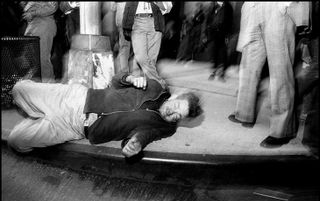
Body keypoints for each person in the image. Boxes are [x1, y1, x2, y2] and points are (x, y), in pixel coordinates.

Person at [8, 72, 202, 158]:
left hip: (75, 127)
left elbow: (146, 134)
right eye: (176, 105)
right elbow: (115, 80)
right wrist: (130, 78)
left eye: (178, 116)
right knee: (19, 88)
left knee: (16, 141)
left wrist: (135, 144)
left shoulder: (166, 128)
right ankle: (33, 110)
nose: (172, 112)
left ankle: (36, 116)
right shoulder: (154, 87)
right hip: (76, 98)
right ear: (175, 96)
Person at [228, 2, 310, 148]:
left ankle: (282, 130)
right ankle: (244, 113)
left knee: (280, 69)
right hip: (254, 8)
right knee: (248, 66)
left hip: (277, 7)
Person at [122, 1, 173, 88]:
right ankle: (159, 83)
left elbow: (168, 7)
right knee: (141, 57)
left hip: (155, 22)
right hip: (137, 22)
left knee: (151, 60)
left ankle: (151, 89)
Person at [20, 1, 58, 83]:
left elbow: (52, 7)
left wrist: (33, 13)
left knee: (42, 59)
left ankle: (49, 87)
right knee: (31, 59)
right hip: (32, 26)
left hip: (43, 25)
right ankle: (36, 86)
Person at [205, 1, 233, 81]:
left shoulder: (228, 6)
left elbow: (230, 21)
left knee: (223, 54)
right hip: (214, 33)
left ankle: (222, 73)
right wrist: (208, 32)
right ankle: (214, 72)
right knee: (214, 53)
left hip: (223, 33)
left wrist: (228, 34)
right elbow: (209, 20)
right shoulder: (213, 6)